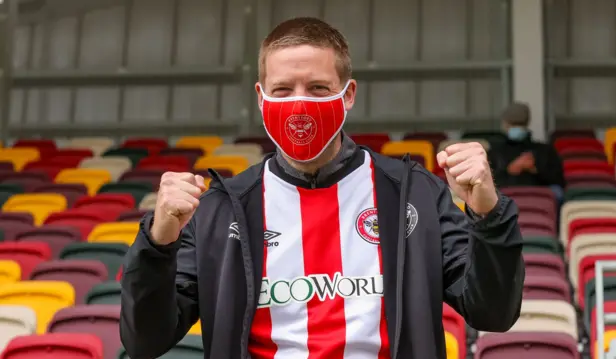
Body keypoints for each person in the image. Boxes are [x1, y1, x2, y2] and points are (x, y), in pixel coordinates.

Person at [120, 17, 524, 359]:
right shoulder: (220, 208)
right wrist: (158, 241)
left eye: (317, 88)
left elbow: (492, 314)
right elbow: (145, 340)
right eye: (282, 90)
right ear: (261, 100)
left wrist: (488, 214)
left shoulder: (414, 195)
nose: (299, 104)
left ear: (347, 95)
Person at [488, 102, 566, 191]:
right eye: (513, 124)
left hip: (537, 195)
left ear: (504, 124)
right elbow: (488, 183)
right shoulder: (495, 151)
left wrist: (535, 169)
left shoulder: (545, 151)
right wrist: (511, 169)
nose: (516, 128)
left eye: (520, 124)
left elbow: (559, 182)